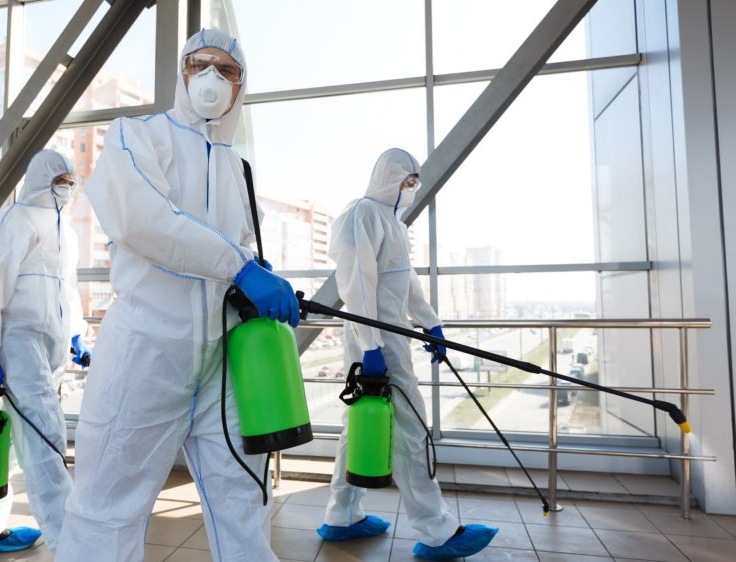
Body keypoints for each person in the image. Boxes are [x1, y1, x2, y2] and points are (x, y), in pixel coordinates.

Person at [56, 29, 299, 562]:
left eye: (226, 70)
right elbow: (145, 220)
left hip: (223, 357)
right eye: (200, 65)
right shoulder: (136, 135)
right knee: (107, 508)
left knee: (243, 502)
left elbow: (234, 246)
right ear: (182, 73)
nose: (212, 77)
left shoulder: (237, 167)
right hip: (146, 349)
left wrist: (253, 269)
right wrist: (239, 265)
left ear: (240, 87)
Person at [317, 148, 498, 560]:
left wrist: (430, 321)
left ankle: (341, 516)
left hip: (389, 337)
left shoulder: (393, 224)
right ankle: (437, 532)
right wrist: (371, 347)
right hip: (376, 339)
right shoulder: (361, 214)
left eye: (414, 181)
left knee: (359, 425)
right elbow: (356, 284)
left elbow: (405, 281)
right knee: (410, 430)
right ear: (387, 176)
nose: (409, 188)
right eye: (404, 180)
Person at [0, 149, 91, 557]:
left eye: (71, 180)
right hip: (18, 341)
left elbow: (66, 290)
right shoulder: (17, 222)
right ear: (40, 179)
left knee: (15, 445)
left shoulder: (65, 232)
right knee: (43, 434)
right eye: (60, 179)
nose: (67, 187)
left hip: (49, 345)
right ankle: (68, 537)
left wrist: (75, 335)